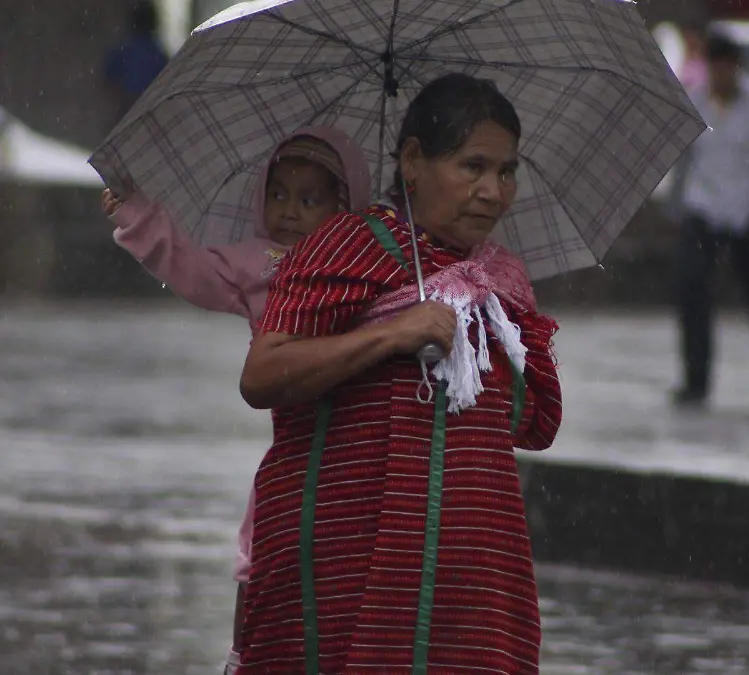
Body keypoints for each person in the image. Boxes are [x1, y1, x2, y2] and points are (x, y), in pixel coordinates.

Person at [235, 73, 562, 674]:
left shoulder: (498, 282)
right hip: (348, 560)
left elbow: (534, 424)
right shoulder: (347, 245)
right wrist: (392, 332)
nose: (493, 191)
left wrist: (494, 329)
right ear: (412, 159)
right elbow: (263, 373)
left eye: (507, 172)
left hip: (471, 577)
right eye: (473, 167)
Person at [100, 126, 373, 675]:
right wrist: (137, 210)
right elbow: (190, 266)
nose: (288, 212)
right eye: (278, 195)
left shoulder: (372, 264)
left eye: (308, 199)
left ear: (343, 208)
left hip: (360, 445)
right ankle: (244, 656)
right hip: (295, 444)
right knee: (261, 552)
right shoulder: (262, 264)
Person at [671, 31, 749, 410]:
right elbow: (684, 162)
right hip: (703, 209)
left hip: (747, 212)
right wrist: (677, 207)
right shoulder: (694, 103)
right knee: (691, 291)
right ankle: (696, 379)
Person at [103, 1, 170, 120]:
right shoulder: (158, 55)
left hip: (125, 108)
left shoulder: (124, 50)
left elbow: (109, 79)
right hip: (148, 110)